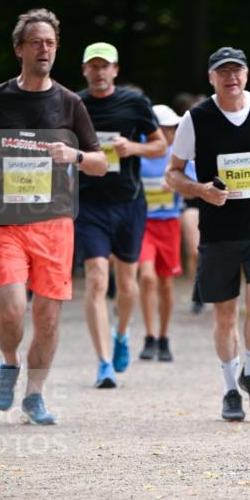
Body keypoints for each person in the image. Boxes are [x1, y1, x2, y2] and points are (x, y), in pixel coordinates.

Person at [0, 8, 106, 424]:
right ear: (19, 49)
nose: (44, 49)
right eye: (36, 42)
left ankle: (35, 395)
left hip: (55, 222)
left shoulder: (70, 103)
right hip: (4, 220)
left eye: (51, 43)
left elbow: (99, 162)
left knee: (47, 315)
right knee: (11, 307)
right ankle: (9, 363)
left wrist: (74, 155)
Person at [167, 46, 250, 421]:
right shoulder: (197, 118)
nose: (231, 78)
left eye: (237, 70)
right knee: (224, 316)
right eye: (223, 72)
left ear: (247, 74)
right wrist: (202, 190)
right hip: (219, 229)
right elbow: (172, 173)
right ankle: (229, 391)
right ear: (211, 78)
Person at [76, 43, 166, 388]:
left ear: (115, 69)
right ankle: (103, 363)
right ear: (84, 70)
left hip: (128, 202)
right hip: (89, 204)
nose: (99, 72)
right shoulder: (74, 103)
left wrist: (134, 148)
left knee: (126, 282)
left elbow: (159, 144)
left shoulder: (134, 103)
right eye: (93, 66)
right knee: (97, 279)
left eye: (105, 66)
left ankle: (123, 334)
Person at [138, 104, 192, 362]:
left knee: (166, 284)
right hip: (143, 224)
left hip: (168, 224)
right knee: (147, 277)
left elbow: (193, 186)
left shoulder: (177, 155)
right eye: (166, 128)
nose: (171, 133)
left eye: (173, 128)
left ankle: (163, 336)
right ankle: (149, 336)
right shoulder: (140, 150)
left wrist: (176, 184)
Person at [173, 92, 207, 314]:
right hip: (193, 201)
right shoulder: (183, 141)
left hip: (216, 200)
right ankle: (199, 291)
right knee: (194, 249)